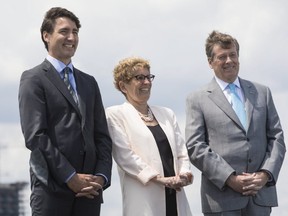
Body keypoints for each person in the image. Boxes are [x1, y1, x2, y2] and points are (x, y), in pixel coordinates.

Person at [18, 7, 112, 216]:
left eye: (76, 32)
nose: (71, 37)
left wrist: (101, 176)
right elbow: (35, 137)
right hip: (52, 190)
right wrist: (70, 177)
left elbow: (102, 136)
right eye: (64, 31)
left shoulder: (89, 82)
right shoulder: (33, 79)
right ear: (46, 35)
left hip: (89, 192)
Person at [185, 30, 286, 216]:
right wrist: (230, 178)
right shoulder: (197, 99)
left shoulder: (262, 93)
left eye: (233, 55)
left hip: (260, 196)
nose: (229, 61)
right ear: (210, 62)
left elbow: (277, 139)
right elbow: (195, 146)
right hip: (221, 198)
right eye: (222, 57)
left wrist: (265, 175)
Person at [106, 57, 193, 216]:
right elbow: (125, 156)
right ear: (123, 86)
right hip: (144, 199)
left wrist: (184, 174)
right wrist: (159, 179)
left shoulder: (167, 114)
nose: (146, 82)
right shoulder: (115, 115)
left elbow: (182, 152)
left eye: (148, 77)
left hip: (176, 196)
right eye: (139, 78)